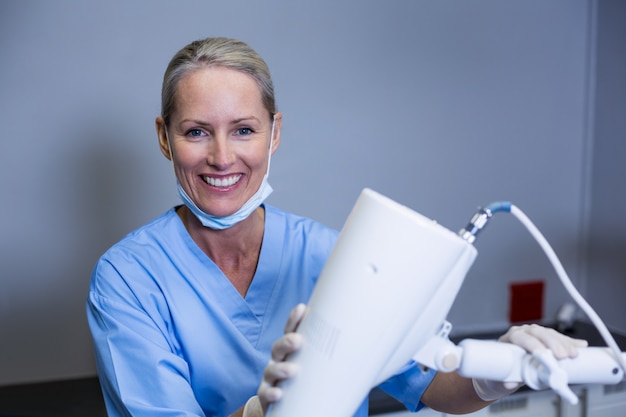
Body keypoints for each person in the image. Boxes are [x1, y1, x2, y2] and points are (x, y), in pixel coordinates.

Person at [86, 37, 588, 417]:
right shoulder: (128, 280)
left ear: (274, 133)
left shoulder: (332, 254)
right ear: (164, 137)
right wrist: (262, 411)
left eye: (243, 130)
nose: (222, 157)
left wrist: (497, 373)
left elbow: (433, 384)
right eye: (197, 132)